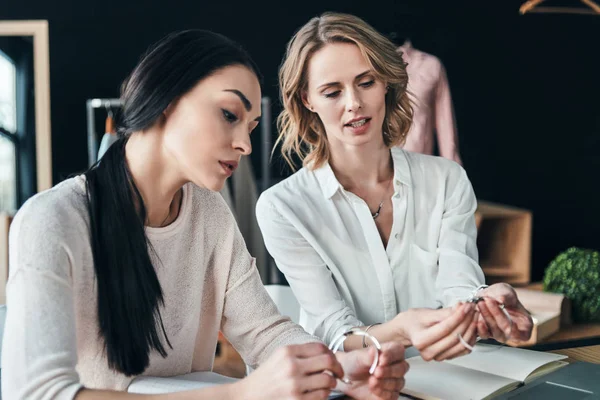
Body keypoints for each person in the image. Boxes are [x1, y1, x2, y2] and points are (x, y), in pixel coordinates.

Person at [1, 30, 409, 400]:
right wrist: (239, 395)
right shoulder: (53, 220)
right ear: (165, 100)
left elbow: (264, 333)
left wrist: (338, 369)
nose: (246, 145)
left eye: (251, 126)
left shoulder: (209, 213)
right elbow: (38, 393)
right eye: (230, 115)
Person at [256, 12, 533, 361]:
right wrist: (402, 331)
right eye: (332, 91)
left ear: (385, 82)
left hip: (447, 375)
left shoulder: (447, 180)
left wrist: (486, 304)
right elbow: (334, 332)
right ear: (307, 99)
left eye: (366, 82)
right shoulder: (282, 207)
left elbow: (458, 284)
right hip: (348, 382)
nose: (353, 103)